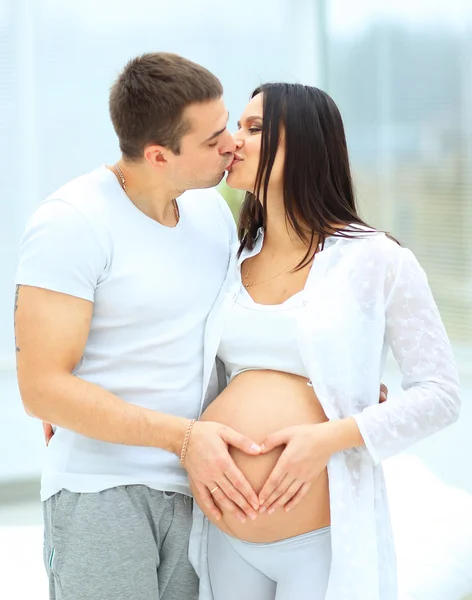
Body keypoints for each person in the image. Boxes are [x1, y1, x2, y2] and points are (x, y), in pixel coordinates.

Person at [187, 83, 461, 600]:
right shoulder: (230, 257)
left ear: (308, 142)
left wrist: (330, 436)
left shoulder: (377, 259)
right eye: (236, 126)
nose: (233, 141)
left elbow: (441, 395)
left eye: (254, 127)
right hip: (226, 535)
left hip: (320, 539)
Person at [14, 52, 267, 600]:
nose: (230, 144)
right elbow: (40, 388)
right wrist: (182, 438)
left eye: (227, 125)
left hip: (198, 492)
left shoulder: (212, 215)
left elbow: (233, 338)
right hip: (102, 491)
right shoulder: (72, 222)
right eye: (211, 139)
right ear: (158, 155)